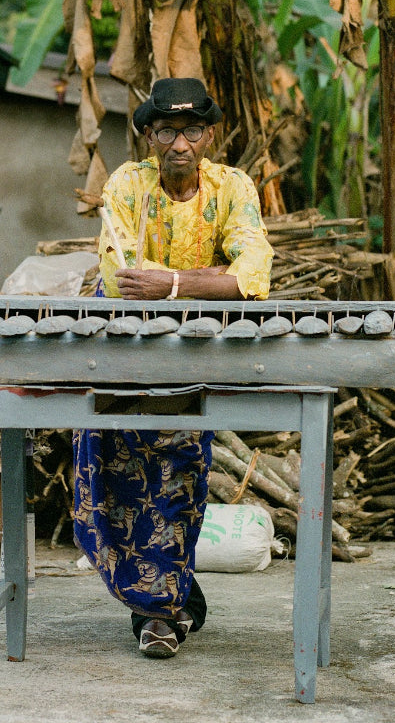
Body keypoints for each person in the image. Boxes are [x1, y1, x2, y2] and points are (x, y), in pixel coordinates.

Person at [72, 77, 274, 658]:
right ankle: (168, 601)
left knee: (179, 473)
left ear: (209, 136)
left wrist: (174, 284)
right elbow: (121, 280)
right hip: (120, 353)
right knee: (110, 476)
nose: (179, 144)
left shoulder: (232, 187)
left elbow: (255, 274)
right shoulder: (126, 184)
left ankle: (159, 614)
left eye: (191, 131)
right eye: (166, 131)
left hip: (190, 356)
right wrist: (211, 281)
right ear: (149, 137)